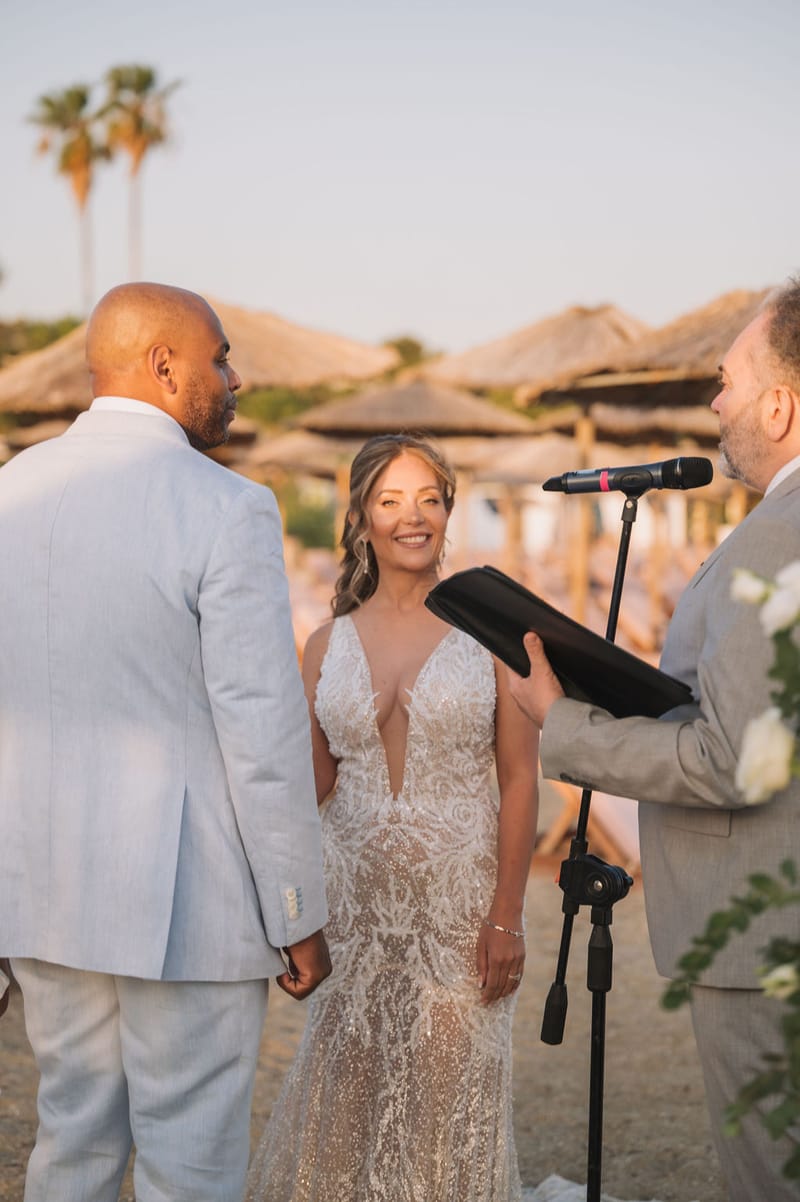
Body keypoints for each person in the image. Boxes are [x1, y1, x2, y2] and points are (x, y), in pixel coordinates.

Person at [0, 283, 331, 1202]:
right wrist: (296, 908)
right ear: (164, 365)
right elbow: (260, 731)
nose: (234, 379)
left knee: (70, 1145)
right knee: (190, 1167)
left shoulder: (8, 490)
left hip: (41, 890)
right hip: (186, 899)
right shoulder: (226, 507)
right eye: (221, 359)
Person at [507, 279, 800, 1202]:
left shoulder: (776, 539)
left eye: (724, 381)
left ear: (781, 403)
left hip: (761, 937)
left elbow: (729, 762)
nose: (713, 404)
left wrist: (567, 725)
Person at [246, 434, 539, 1202]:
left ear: (448, 513)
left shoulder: (495, 635)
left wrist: (507, 916)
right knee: (342, 1105)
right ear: (362, 518)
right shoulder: (324, 644)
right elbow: (305, 786)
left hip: (457, 912)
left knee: (449, 1107)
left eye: (430, 500)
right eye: (391, 501)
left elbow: (519, 780)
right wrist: (281, 902)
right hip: (353, 912)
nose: (414, 518)